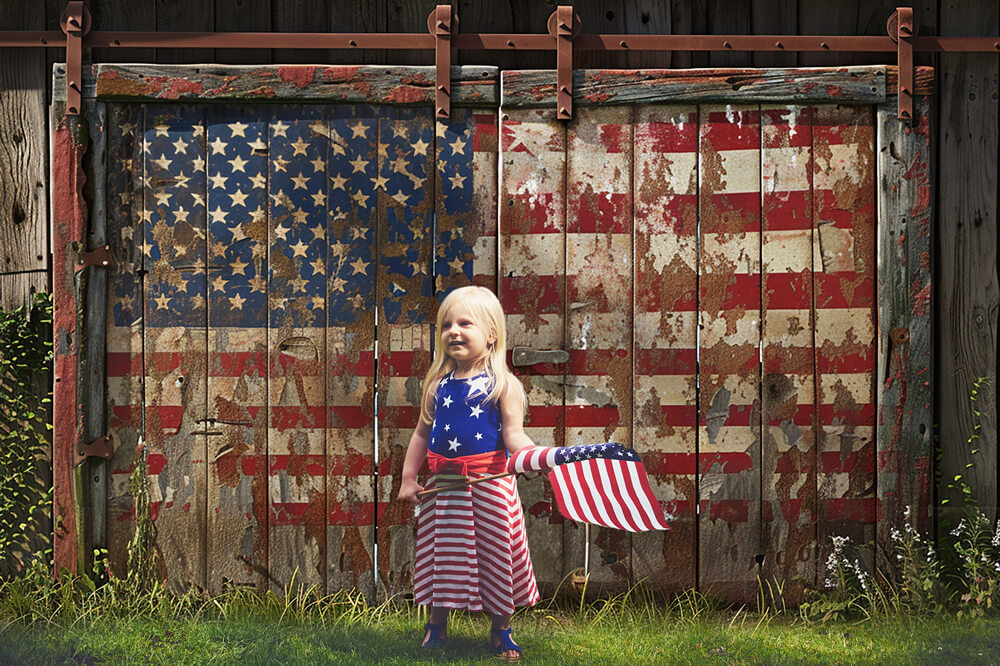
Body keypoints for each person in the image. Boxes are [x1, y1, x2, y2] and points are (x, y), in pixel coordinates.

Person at [398, 285, 540, 661]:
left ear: (491, 332)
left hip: (489, 487)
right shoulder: (438, 384)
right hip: (443, 488)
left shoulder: (503, 385)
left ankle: (502, 629)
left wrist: (531, 455)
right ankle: (436, 625)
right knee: (442, 556)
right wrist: (409, 478)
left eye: (465, 323)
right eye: (447, 325)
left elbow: (513, 434)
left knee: (497, 555)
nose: (453, 332)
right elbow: (420, 433)